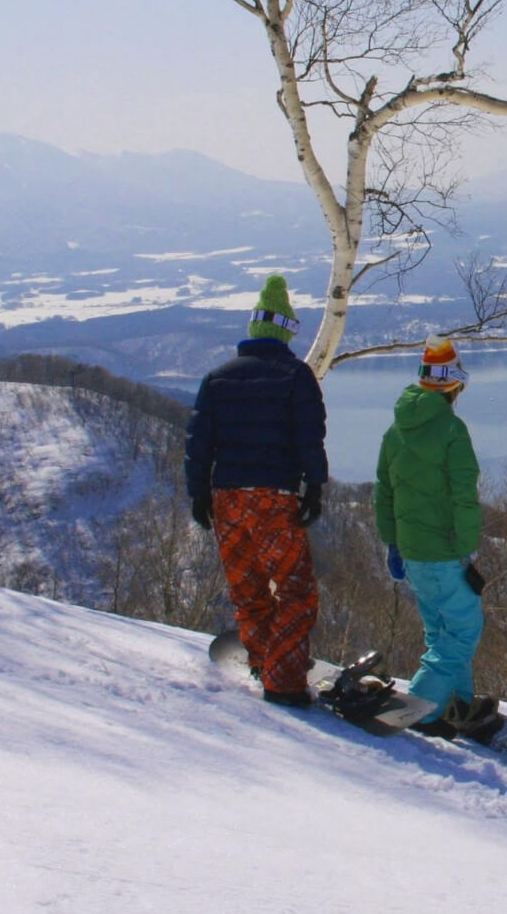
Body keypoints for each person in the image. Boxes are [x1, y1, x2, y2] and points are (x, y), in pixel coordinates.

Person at [185, 274, 328, 707]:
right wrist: (315, 487)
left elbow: (198, 445)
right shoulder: (296, 376)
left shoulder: (217, 378)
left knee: (247, 587)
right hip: (274, 496)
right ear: (286, 330)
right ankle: (283, 678)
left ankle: (263, 657)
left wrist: (198, 494)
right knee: (295, 590)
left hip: (227, 498)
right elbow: (310, 437)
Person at [374, 335, 495, 740]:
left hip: (412, 552)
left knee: (441, 630)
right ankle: (421, 708)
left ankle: (455, 703)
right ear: (452, 385)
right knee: (462, 631)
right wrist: (466, 545)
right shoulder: (451, 430)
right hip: (444, 551)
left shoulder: (395, 431)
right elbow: (464, 492)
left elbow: (384, 491)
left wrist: (393, 543)